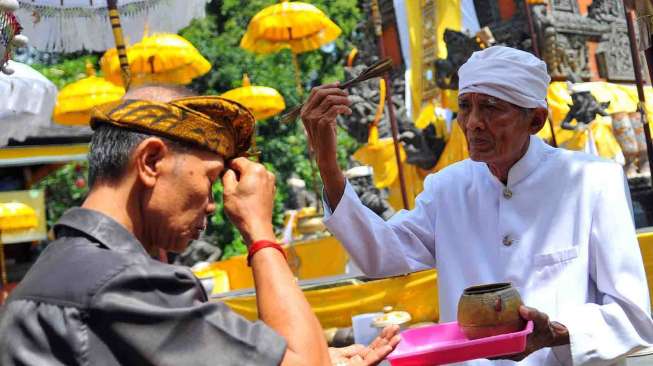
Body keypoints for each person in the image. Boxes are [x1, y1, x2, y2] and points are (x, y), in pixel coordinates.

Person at [301, 46, 653, 365]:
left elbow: (632, 316)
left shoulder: (593, 181)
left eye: (491, 107)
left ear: (536, 120)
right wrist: (330, 169)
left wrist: (558, 333)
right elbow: (381, 256)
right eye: (466, 107)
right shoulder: (448, 188)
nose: (471, 124)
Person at [0, 85, 400, 365]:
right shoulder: (120, 282)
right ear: (151, 162)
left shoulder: (66, 268)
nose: (213, 205)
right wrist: (259, 232)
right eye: (209, 180)